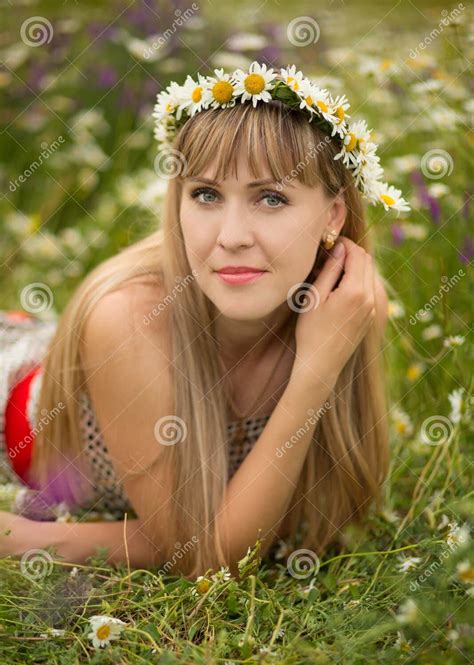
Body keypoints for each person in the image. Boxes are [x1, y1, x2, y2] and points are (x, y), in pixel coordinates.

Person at [0, 62, 410, 579]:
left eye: (271, 198)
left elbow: (251, 531)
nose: (232, 235)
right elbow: (205, 556)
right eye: (207, 195)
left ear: (333, 215)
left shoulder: (343, 310)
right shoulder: (129, 315)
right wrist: (312, 378)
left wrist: (43, 537)